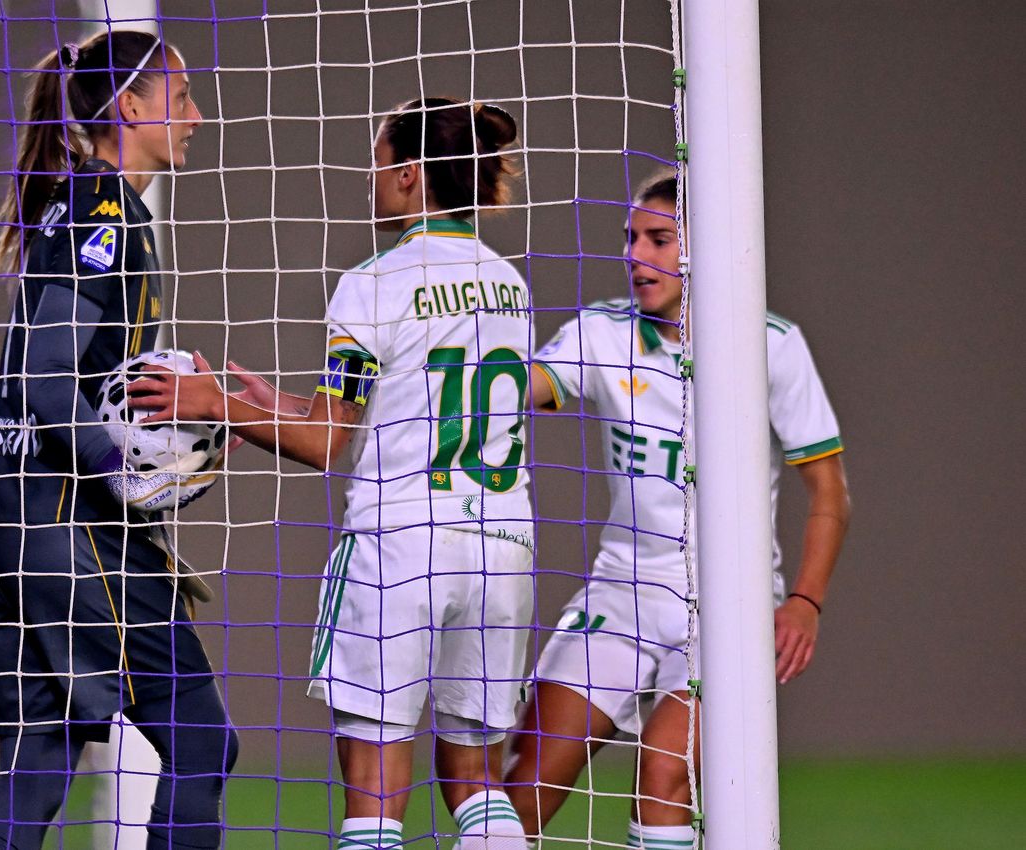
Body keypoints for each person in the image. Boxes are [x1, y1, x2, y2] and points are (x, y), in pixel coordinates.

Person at [139, 97, 534, 849]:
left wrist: (211, 403)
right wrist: (277, 403)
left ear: (412, 175)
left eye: (379, 162)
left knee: (374, 799)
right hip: (499, 550)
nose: (370, 178)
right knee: (475, 780)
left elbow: (327, 444)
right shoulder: (506, 283)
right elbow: (406, 405)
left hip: (401, 551)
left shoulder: (373, 282)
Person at [503, 168, 851, 848]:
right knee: (520, 783)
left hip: (725, 607)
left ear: (706, 246)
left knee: (661, 783)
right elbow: (520, 389)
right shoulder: (600, 334)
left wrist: (803, 601)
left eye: (659, 239)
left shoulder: (771, 345)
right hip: (621, 595)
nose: (637, 256)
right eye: (630, 238)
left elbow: (829, 492)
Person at [0, 30, 237, 850]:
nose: (194, 116)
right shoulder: (103, 209)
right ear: (130, 106)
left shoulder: (76, 198)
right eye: (180, 97)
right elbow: (52, 377)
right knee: (199, 741)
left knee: (40, 763)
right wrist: (127, 469)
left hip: (11, 524)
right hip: (77, 535)